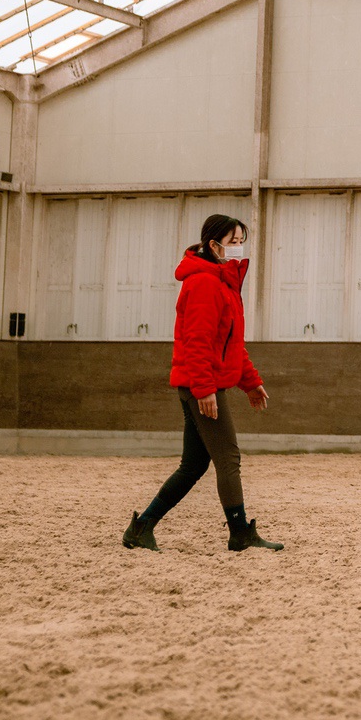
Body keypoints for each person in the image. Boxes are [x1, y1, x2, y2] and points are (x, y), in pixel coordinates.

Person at [122, 214, 283, 553]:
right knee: (228, 458)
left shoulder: (225, 283)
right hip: (201, 386)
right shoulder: (205, 283)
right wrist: (204, 389)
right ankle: (239, 534)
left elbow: (230, 345)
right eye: (234, 241)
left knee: (193, 465)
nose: (239, 247)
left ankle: (141, 528)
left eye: (242, 240)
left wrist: (250, 382)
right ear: (214, 245)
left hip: (205, 383)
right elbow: (196, 342)